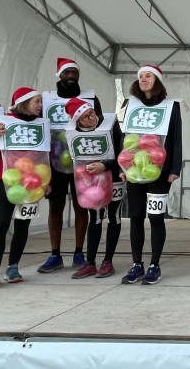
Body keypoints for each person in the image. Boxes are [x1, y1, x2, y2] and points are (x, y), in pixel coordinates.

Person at [38, 58, 103, 273]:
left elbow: (100, 124)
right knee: (55, 207)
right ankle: (55, 254)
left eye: (75, 73)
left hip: (82, 162)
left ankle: (79, 252)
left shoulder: (90, 98)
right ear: (59, 76)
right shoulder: (46, 99)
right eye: (67, 73)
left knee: (81, 205)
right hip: (54, 163)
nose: (71, 76)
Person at [119, 65, 182, 285]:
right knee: (135, 216)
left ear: (157, 81)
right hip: (134, 170)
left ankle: (155, 265)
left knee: (155, 217)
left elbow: (176, 137)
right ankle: (137, 264)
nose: (143, 79)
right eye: (141, 76)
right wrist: (122, 167)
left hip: (160, 171)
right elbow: (124, 136)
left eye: (148, 76)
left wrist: (175, 169)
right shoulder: (131, 104)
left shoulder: (171, 106)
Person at [0, 87, 49, 289]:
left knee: (22, 226)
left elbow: (46, 155)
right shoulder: (4, 121)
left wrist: (48, 182)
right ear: (24, 103)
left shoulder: (42, 124)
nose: (40, 105)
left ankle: (13, 267)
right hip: (6, 182)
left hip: (33, 183)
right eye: (37, 101)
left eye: (41, 101)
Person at [64, 98, 124, 279]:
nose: (91, 118)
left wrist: (105, 165)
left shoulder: (110, 124)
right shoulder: (73, 132)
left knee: (113, 216)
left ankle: (108, 261)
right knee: (95, 218)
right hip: (91, 180)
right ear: (78, 121)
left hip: (114, 177)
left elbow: (123, 152)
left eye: (91, 113)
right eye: (85, 117)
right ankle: (90, 262)